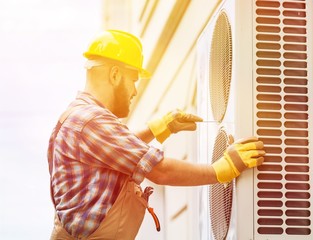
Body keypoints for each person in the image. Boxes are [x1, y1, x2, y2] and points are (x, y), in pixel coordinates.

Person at [47, 29, 265, 239]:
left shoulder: (77, 117)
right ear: (115, 75)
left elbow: (115, 152)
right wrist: (223, 168)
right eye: (133, 80)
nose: (134, 91)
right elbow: (159, 171)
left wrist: (161, 127)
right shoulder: (91, 120)